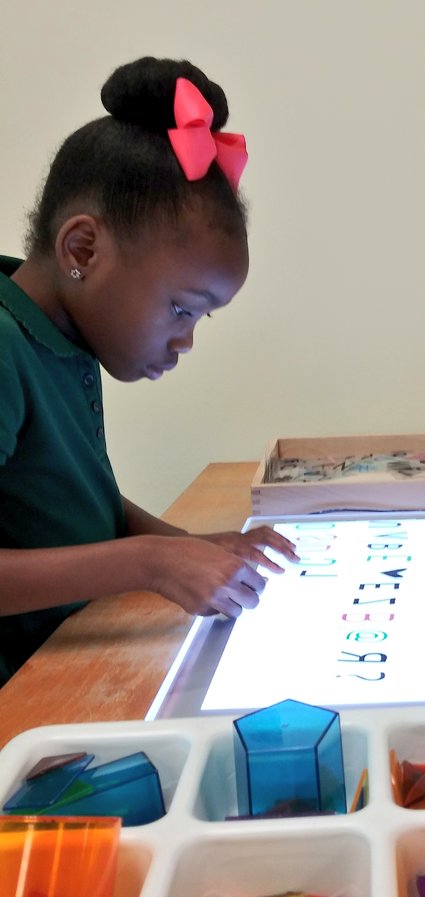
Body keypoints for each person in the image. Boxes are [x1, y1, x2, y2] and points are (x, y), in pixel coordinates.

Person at [0, 57, 298, 687]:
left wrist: (187, 544)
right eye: (181, 309)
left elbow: (66, 499)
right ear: (83, 250)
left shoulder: (58, 336)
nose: (185, 340)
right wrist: (150, 561)